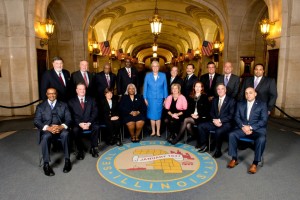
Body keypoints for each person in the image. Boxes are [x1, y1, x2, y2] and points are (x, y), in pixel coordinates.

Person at [227, 87, 268, 174]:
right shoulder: (240, 104)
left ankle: (255, 163)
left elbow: (263, 120)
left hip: (257, 129)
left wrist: (250, 127)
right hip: (243, 128)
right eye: (246, 93)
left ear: (255, 94)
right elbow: (236, 117)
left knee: (261, 139)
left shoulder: (262, 104)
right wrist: (243, 127)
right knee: (232, 134)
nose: (248, 95)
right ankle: (234, 159)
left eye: (250, 93)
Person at [34, 88, 72, 176]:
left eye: (54, 93)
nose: (52, 95)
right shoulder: (40, 106)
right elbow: (36, 121)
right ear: (46, 94)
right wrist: (48, 128)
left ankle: (67, 161)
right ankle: (46, 164)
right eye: (50, 94)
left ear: (56, 94)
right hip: (47, 130)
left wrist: (60, 126)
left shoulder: (64, 105)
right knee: (45, 137)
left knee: (66, 134)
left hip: (61, 129)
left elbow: (69, 119)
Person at [197, 83, 236, 158]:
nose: (220, 90)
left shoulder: (231, 100)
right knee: (201, 126)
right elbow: (211, 112)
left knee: (218, 131)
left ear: (225, 90)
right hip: (215, 121)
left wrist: (220, 120)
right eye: (218, 89)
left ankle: (218, 151)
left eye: (222, 89)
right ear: (216, 91)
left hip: (226, 123)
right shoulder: (215, 99)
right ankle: (205, 145)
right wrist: (214, 120)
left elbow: (231, 115)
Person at [68, 83, 99, 159]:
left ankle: (93, 148)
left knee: (96, 127)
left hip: (89, 122)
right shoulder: (71, 101)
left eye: (84, 89)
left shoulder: (92, 99)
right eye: (80, 89)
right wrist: (80, 123)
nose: (82, 91)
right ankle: (80, 150)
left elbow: (95, 112)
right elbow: (71, 115)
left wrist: (89, 123)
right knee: (75, 130)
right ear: (76, 90)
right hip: (77, 123)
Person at [143, 60, 168, 137]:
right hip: (150, 98)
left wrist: (165, 98)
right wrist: (145, 98)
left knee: (158, 116)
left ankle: (158, 131)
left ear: (159, 67)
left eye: (156, 66)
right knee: (152, 116)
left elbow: (165, 87)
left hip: (159, 99)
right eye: (153, 66)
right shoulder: (147, 75)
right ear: (151, 67)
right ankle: (153, 131)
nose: (155, 68)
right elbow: (145, 88)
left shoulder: (163, 75)